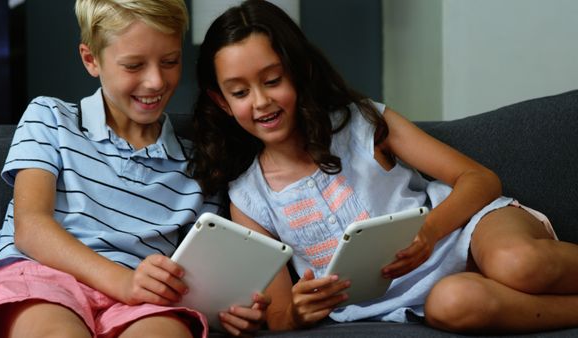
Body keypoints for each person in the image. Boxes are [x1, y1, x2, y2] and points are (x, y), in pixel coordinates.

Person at [188, 0, 578, 334]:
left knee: (517, 263)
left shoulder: (361, 122)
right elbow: (278, 314)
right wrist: (298, 310)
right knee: (454, 304)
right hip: (429, 297)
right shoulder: (250, 197)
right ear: (222, 102)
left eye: (272, 80)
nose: (260, 102)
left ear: (300, 71)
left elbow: (480, 179)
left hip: (467, 231)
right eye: (239, 92)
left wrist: (428, 234)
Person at [0, 1, 269, 337]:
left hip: (142, 301)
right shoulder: (50, 118)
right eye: (134, 65)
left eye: (170, 61)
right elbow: (31, 227)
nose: (155, 81)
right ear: (90, 59)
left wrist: (226, 310)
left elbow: (195, 280)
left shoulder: (200, 164)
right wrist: (121, 280)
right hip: (43, 278)